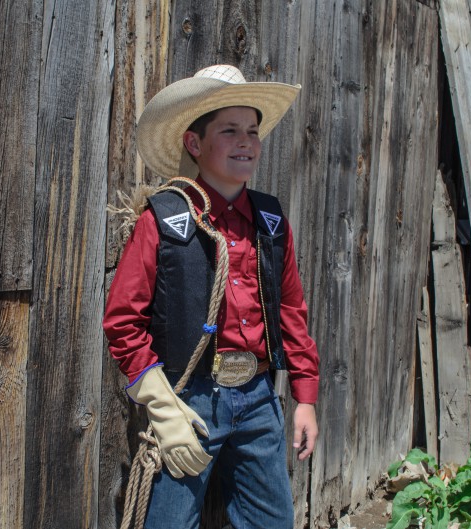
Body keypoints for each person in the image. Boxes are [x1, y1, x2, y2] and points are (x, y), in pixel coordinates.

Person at [103, 64, 320, 529]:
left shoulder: (271, 221)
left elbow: (290, 311)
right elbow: (122, 320)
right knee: (168, 522)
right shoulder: (162, 220)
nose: (246, 141)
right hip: (189, 400)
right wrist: (163, 408)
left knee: (273, 521)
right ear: (194, 144)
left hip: (260, 397)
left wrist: (304, 397)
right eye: (229, 130)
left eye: (252, 131)